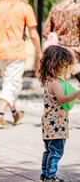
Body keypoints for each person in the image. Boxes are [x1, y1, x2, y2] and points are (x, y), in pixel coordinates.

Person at [0, 0, 42, 128]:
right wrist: (40, 52)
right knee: (13, 85)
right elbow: (33, 34)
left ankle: (15, 113)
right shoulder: (25, 8)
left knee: (9, 84)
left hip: (0, 52)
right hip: (16, 52)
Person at [36, 45, 80, 182]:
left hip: (49, 124)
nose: (66, 69)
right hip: (56, 125)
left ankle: (44, 174)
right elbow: (63, 99)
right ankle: (50, 176)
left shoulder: (48, 79)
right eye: (65, 65)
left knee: (48, 151)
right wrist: (78, 93)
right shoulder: (55, 82)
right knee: (56, 152)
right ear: (58, 64)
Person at [43, 0, 80, 83]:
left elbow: (46, 32)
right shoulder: (78, 10)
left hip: (58, 51)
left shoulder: (54, 9)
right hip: (74, 50)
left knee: (60, 81)